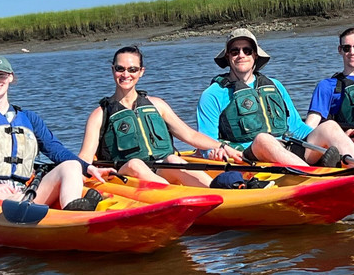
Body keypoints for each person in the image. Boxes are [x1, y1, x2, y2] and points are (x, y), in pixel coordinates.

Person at [0, 55, 110, 211]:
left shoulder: (29, 118)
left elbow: (56, 151)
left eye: (1, 75)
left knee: (71, 165)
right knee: (6, 198)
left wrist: (87, 168)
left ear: (10, 77)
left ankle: (73, 210)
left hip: (24, 192)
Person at [196, 28, 354, 167]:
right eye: (235, 51)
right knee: (263, 139)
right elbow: (206, 142)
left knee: (329, 126)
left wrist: (332, 138)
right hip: (248, 157)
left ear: (255, 54)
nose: (241, 55)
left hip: (288, 149)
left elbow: (296, 127)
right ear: (228, 56)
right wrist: (213, 151)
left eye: (247, 50)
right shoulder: (212, 95)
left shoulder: (275, 85)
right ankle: (312, 176)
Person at [78, 45, 245, 187]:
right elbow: (85, 157)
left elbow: (189, 135)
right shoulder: (100, 115)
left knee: (173, 159)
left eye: (132, 69)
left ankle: (215, 192)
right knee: (136, 164)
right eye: (120, 69)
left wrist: (223, 147)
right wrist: (74, 173)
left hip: (159, 170)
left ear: (141, 72)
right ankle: (173, 197)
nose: (126, 74)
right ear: (113, 70)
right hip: (125, 176)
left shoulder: (157, 105)